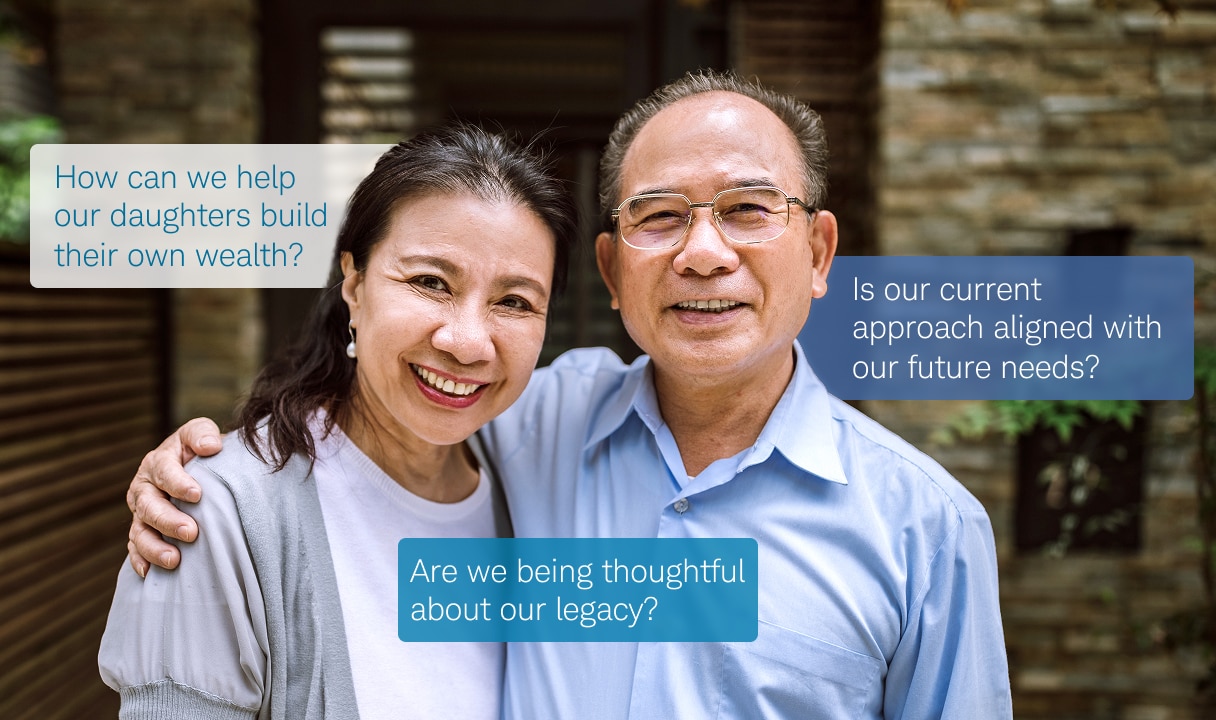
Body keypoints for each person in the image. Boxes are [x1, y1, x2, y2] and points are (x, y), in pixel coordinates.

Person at [123, 70, 1014, 719]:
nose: (704, 253)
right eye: (660, 216)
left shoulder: (927, 532)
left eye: (748, 208)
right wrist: (212, 478)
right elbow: (374, 428)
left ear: (818, 254)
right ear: (613, 272)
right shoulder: (535, 425)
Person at [98, 125, 578, 720]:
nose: (468, 342)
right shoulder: (219, 513)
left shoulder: (532, 484)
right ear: (354, 283)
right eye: (430, 282)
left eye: (514, 302)